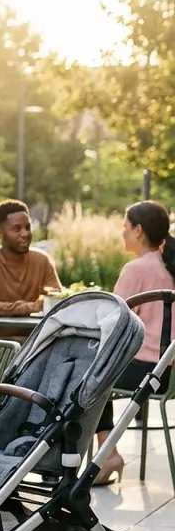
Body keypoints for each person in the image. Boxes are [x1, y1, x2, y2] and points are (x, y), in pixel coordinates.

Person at [91, 201, 175, 485]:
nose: (122, 233)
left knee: (90, 376)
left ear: (138, 230)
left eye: (125, 227)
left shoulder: (136, 269)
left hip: (149, 372)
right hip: (170, 374)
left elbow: (115, 322)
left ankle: (107, 454)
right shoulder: (170, 265)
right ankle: (107, 453)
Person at [0, 199, 62, 339]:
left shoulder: (42, 260)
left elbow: (57, 299)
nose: (25, 234)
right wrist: (27, 308)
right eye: (17, 229)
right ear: (0, 233)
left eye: (28, 227)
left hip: (32, 342)